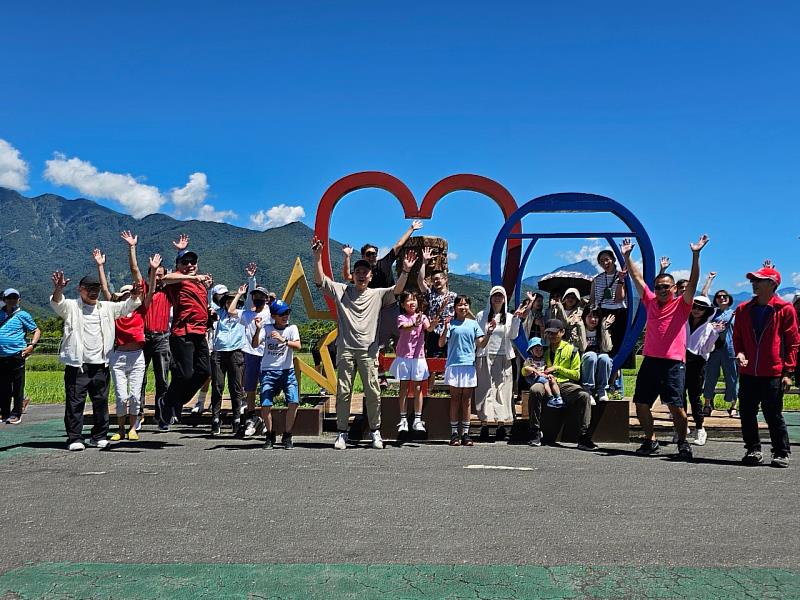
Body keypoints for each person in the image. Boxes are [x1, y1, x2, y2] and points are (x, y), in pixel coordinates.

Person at [312, 237, 413, 450]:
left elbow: (397, 291)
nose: (361, 275)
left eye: (365, 272)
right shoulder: (342, 291)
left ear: (370, 275)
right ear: (353, 275)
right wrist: (317, 256)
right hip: (346, 349)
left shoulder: (378, 294)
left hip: (368, 351)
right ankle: (342, 433)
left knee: (373, 392)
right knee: (343, 391)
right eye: (358, 272)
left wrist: (405, 271)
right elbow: (321, 280)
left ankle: (376, 431)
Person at [621, 234, 709, 460]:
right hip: (650, 360)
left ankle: (682, 442)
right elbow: (637, 278)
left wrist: (696, 255)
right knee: (640, 404)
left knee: (676, 407)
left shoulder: (683, 305)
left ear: (673, 288)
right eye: (659, 286)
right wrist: (628, 257)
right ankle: (650, 440)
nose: (662, 290)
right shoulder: (649, 301)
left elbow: (694, 280)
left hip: (673, 363)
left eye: (666, 287)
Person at [50, 270, 141, 450]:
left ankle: (98, 436)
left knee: (101, 402)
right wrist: (58, 289)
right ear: (80, 289)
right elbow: (57, 302)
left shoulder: (106, 307)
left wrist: (134, 296)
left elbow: (127, 307)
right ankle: (74, 438)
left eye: (96, 288)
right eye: (89, 288)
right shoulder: (71, 307)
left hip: (101, 364)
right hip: (78, 365)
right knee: (75, 403)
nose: (93, 292)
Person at [92, 232, 158, 442]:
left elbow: (146, 283)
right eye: (126, 292)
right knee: (120, 396)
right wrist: (100, 266)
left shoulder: (141, 309)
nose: (130, 294)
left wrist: (153, 270)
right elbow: (104, 289)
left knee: (134, 396)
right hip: (118, 356)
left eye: (132, 291)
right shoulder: (114, 309)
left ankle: (133, 428)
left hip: (137, 355)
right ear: (120, 296)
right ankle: (120, 430)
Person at [733, 262, 799, 468]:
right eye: (753, 280)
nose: (754, 283)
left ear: (772, 284)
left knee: (773, 413)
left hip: (773, 372)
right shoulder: (743, 309)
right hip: (748, 371)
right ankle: (753, 449)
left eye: (759, 280)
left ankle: (781, 452)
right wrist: (740, 353)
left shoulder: (784, 309)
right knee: (746, 412)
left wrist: (788, 371)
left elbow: (793, 341)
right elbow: (738, 338)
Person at [159, 248, 214, 431]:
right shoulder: (178, 281)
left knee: (205, 372)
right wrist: (192, 277)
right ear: (178, 266)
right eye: (185, 262)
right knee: (184, 374)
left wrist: (209, 314)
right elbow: (165, 278)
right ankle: (168, 401)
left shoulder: (201, 285)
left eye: (193, 262)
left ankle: (174, 401)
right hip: (182, 333)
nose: (190, 265)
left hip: (200, 333)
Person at [138, 234, 189, 428]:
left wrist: (181, 251)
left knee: (162, 379)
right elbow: (135, 271)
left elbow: (181, 273)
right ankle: (139, 415)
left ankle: (162, 416)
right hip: (143, 337)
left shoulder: (169, 291)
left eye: (161, 275)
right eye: (155, 275)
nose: (158, 278)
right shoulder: (144, 289)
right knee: (139, 378)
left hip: (162, 338)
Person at [526, 319, 597, 450]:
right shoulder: (543, 349)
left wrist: (557, 368)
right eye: (549, 333)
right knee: (535, 389)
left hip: (565, 383)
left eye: (555, 333)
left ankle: (584, 436)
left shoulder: (572, 350)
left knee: (584, 396)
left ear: (562, 332)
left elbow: (576, 375)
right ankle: (534, 431)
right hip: (546, 381)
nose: (552, 336)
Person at [475, 285, 528, 441]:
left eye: (500, 296)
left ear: (505, 299)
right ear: (490, 298)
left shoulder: (510, 317)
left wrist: (518, 318)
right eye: (495, 295)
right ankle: (484, 424)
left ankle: (501, 425)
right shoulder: (481, 315)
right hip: (485, 356)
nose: (497, 298)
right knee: (485, 390)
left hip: (504, 357)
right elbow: (478, 336)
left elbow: (513, 335)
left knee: (503, 391)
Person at [440, 295, 494, 446]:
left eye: (465, 305)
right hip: (454, 365)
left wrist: (489, 332)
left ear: (469, 307)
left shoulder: (474, 324)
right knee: (455, 399)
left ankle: (466, 434)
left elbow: (481, 344)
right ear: (455, 307)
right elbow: (441, 343)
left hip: (469, 366)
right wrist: (445, 328)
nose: (463, 307)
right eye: (460, 305)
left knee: (467, 400)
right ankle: (454, 433)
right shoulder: (451, 324)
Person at [252, 300, 301, 449]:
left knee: (293, 402)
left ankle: (287, 435)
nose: (285, 316)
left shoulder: (292, 328)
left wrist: (284, 340)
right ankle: (270, 434)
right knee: (265, 404)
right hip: (268, 370)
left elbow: (298, 346)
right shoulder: (266, 329)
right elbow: (254, 344)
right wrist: (258, 329)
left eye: (287, 312)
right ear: (274, 316)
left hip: (287, 371)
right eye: (281, 314)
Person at [389, 291, 435, 435]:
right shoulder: (401, 317)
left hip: (418, 357)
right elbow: (405, 328)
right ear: (403, 304)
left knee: (418, 388)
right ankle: (402, 419)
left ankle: (417, 419)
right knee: (403, 387)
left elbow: (429, 328)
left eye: (414, 300)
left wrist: (434, 324)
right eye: (408, 300)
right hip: (404, 356)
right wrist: (415, 323)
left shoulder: (423, 317)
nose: (412, 302)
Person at [684, 295, 725, 447]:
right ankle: (681, 428)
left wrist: (715, 334)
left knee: (694, 397)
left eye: (701, 308)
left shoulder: (709, 328)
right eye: (694, 306)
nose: (696, 310)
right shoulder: (683, 321)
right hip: (680, 360)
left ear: (706, 311)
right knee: (679, 397)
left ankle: (700, 428)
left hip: (697, 363)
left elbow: (708, 349)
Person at [210, 284, 249, 435]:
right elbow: (208, 305)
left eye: (232, 301)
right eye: (227, 301)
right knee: (217, 386)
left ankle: (237, 419)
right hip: (218, 353)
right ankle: (215, 419)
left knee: (236, 388)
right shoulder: (218, 313)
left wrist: (249, 281)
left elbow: (250, 301)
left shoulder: (242, 315)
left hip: (236, 353)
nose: (229, 303)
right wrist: (208, 288)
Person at [417, 247, 457, 391]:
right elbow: (420, 280)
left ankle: (451, 391)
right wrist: (423, 262)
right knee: (432, 361)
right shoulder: (430, 294)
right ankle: (429, 390)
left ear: (445, 279)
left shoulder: (454, 295)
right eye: (434, 280)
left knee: (451, 360)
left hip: (450, 331)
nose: (437, 281)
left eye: (439, 278)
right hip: (434, 331)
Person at [0, 288, 40, 424]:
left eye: (14, 297)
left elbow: (36, 330)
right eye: (9, 297)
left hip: (17, 354)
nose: (12, 300)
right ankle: (4, 412)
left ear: (19, 300)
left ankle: (16, 413)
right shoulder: (0, 314)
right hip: (1, 356)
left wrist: (31, 346)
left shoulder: (23, 315)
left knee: (17, 385)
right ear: (4, 299)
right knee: (3, 385)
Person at [241, 272, 273, 438]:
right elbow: (234, 309)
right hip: (251, 354)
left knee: (266, 388)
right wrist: (250, 280)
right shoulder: (248, 313)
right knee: (250, 388)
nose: (257, 298)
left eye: (261, 296)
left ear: (266, 299)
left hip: (266, 355)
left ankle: (267, 421)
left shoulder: (270, 313)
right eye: (255, 296)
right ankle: (252, 419)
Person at [702, 287, 739, 417]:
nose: (722, 298)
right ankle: (707, 404)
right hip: (713, 349)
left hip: (730, 348)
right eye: (719, 296)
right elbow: (704, 295)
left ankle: (733, 405)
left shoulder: (735, 314)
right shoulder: (712, 313)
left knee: (732, 377)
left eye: (725, 296)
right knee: (710, 377)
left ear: (729, 299)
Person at [590, 250, 628, 353]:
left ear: (614, 259)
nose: (604, 263)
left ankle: (618, 367)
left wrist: (621, 281)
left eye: (607, 259)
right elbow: (593, 300)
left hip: (619, 312)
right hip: (602, 312)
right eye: (601, 261)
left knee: (618, 343)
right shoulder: (597, 279)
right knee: (604, 343)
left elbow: (619, 298)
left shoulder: (623, 276)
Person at [574, 308, 615, 403]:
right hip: (585, 359)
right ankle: (588, 391)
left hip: (599, 359)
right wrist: (580, 326)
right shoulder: (578, 329)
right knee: (591, 355)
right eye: (589, 316)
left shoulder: (602, 329)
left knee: (605, 358)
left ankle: (602, 390)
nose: (593, 319)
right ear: (584, 317)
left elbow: (607, 348)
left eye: (596, 317)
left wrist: (604, 328)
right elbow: (583, 348)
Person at [521, 337, 560, 406]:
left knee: (553, 380)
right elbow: (525, 369)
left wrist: (549, 374)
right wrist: (535, 371)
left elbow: (548, 368)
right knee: (545, 381)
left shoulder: (544, 359)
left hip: (543, 375)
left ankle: (558, 397)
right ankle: (551, 397)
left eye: (541, 350)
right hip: (533, 377)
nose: (539, 352)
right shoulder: (530, 360)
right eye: (536, 350)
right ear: (531, 351)